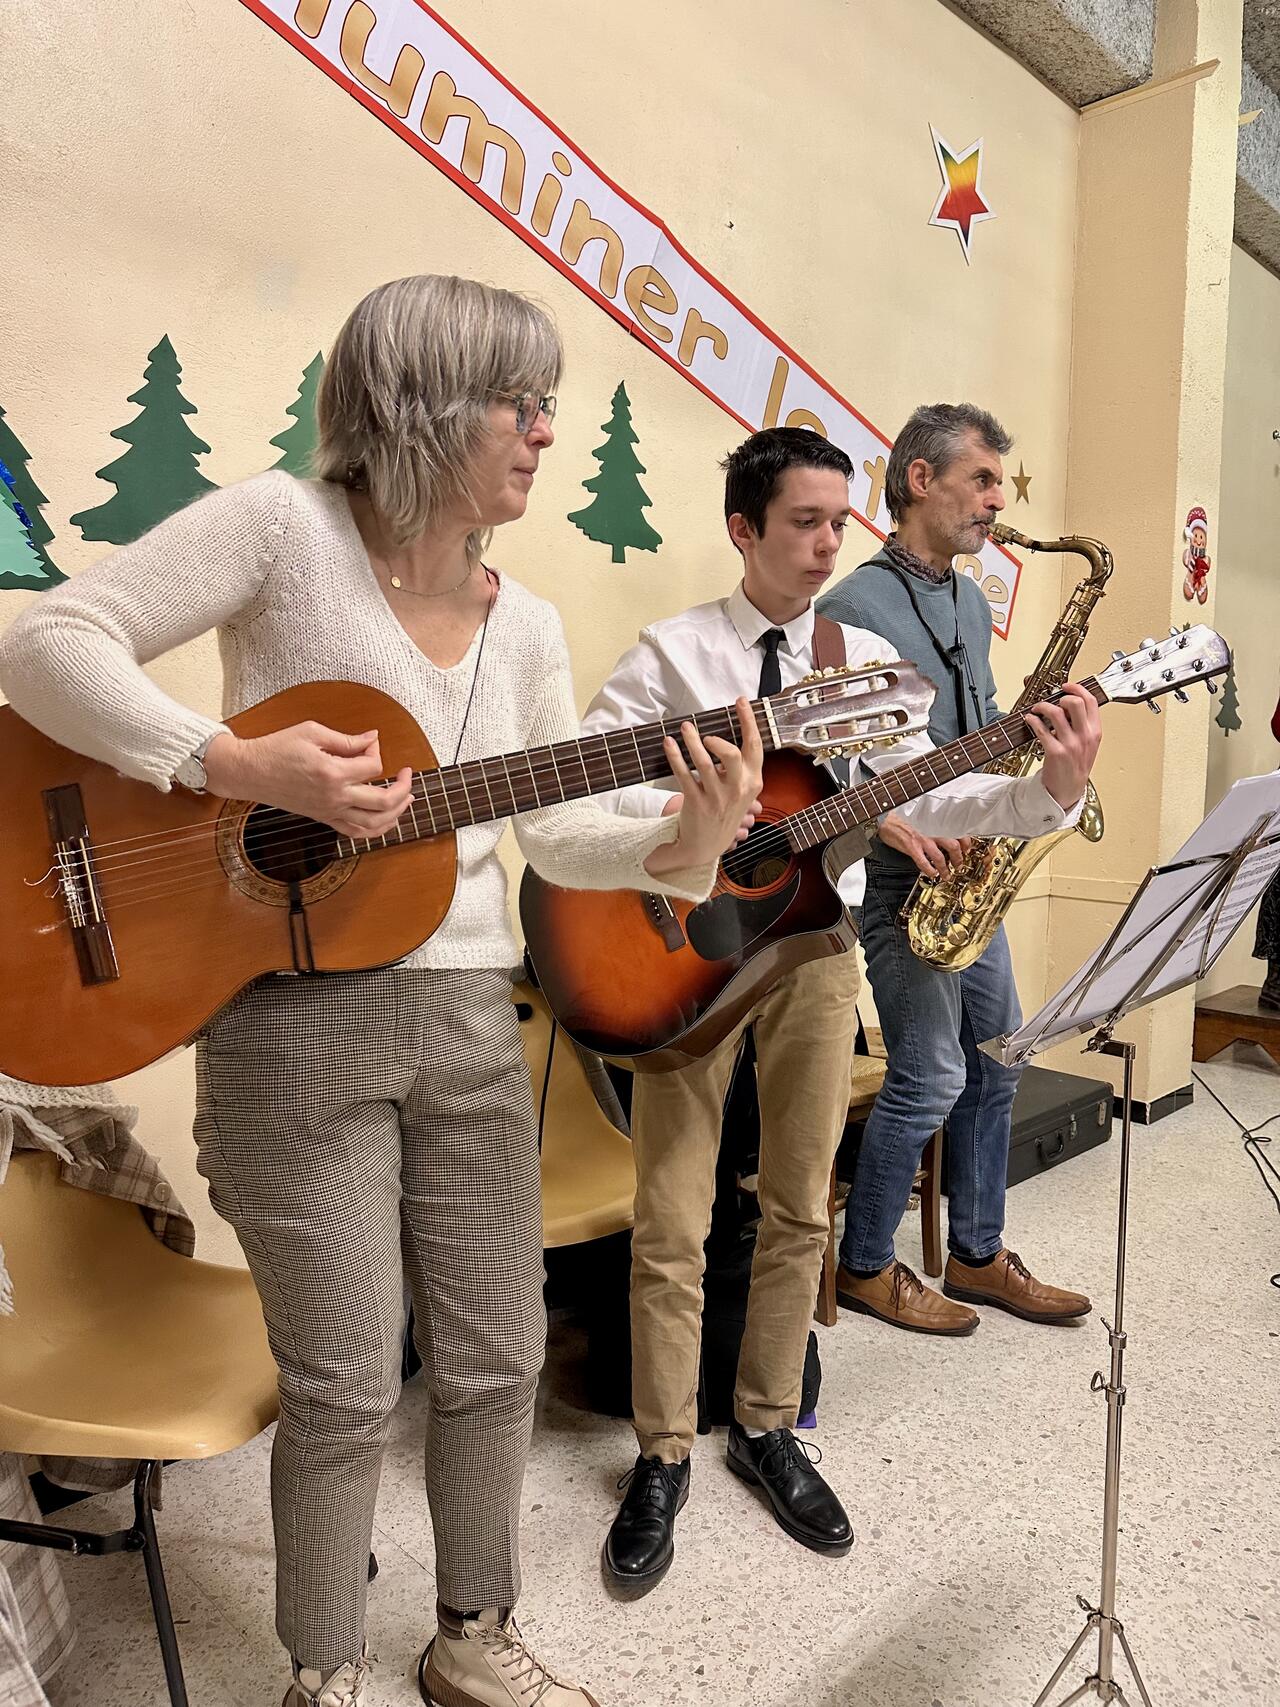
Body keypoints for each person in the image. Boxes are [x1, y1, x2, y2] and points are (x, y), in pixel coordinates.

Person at [0, 275, 764, 1707]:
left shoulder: (526, 623)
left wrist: (687, 839)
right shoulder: (282, 530)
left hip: (471, 1022)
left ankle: (471, 1632)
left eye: (548, 405)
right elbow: (44, 643)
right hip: (292, 1028)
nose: (545, 433)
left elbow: (556, 835)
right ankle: (324, 1667)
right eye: (518, 403)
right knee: (347, 1379)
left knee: (497, 1357)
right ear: (421, 405)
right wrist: (228, 761)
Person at [583, 427, 1102, 1590]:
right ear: (742, 530)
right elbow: (589, 809)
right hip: (687, 957)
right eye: (803, 523)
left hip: (816, 954)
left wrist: (1047, 788)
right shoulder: (670, 656)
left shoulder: (859, 659)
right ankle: (661, 1451)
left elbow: (934, 789)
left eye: (837, 523)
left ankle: (767, 1427)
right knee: (671, 1216)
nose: (827, 545)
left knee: (796, 1206)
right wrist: (680, 827)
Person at [819, 401, 1096, 1336]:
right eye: (981, 479)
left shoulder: (970, 601)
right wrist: (892, 818)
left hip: (975, 874)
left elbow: (972, 733)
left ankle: (977, 1253)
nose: (996, 500)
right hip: (901, 881)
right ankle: (865, 1263)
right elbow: (831, 760)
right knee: (932, 1077)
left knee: (1001, 1059)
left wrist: (1038, 738)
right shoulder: (850, 608)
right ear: (920, 479)